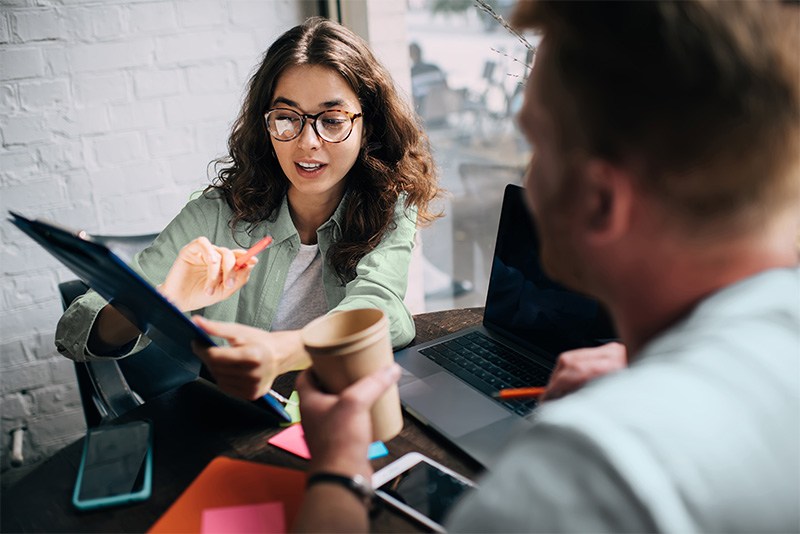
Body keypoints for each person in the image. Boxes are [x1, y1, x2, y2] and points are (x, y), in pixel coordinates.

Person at [294, 1, 800, 532]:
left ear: (600, 201)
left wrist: (338, 466)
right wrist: (646, 366)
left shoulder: (573, 483)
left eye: (535, 146)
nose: (527, 180)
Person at [55, 17, 441, 401]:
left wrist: (282, 352)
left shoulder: (388, 205)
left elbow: (382, 308)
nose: (308, 142)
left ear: (366, 126)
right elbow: (77, 330)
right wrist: (163, 301)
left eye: (333, 120)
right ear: (267, 124)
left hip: (336, 408)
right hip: (238, 419)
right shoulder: (218, 212)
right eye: (288, 118)